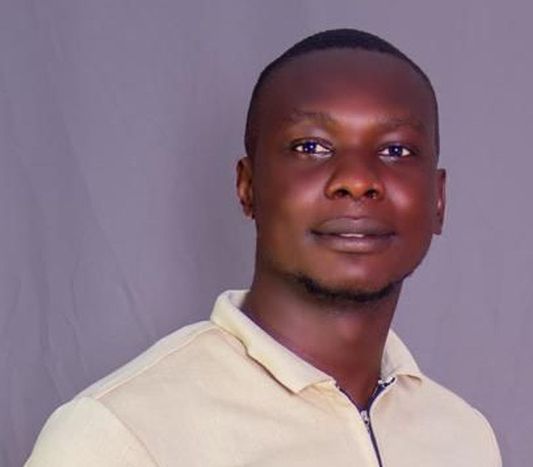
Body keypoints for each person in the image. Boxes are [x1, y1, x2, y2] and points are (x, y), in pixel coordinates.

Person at [26, 28, 502, 466]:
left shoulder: (463, 435)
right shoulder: (119, 435)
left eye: (396, 150)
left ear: (438, 200)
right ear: (247, 187)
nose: (357, 181)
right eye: (311, 147)